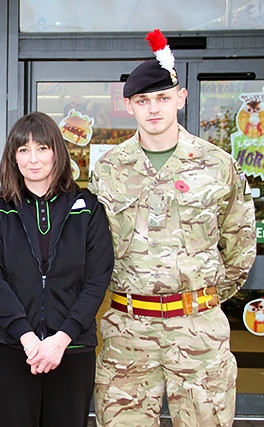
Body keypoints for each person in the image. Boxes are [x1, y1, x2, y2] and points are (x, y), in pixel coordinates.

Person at [89, 29, 256, 427]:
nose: (154, 109)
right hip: (128, 330)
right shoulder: (109, 170)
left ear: (181, 98)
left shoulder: (216, 164)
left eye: (163, 98)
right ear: (128, 106)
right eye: (143, 100)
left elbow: (240, 244)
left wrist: (200, 297)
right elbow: (93, 251)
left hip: (198, 331)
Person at [0, 111, 114, 427]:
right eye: (23, 150)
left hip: (72, 349)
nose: (33, 159)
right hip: (10, 349)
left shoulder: (87, 207)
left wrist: (62, 337)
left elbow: (97, 278)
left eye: (42, 148)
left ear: (57, 151)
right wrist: (27, 337)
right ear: (13, 156)